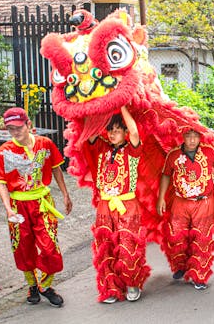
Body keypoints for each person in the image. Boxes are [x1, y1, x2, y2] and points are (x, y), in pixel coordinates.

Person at [0, 107, 72, 307]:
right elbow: (0, 182)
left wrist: (65, 194)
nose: (15, 132)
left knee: (50, 247)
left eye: (18, 127)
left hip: (43, 203)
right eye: (11, 129)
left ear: (28, 124)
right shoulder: (4, 152)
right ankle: (32, 285)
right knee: (23, 248)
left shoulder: (46, 144)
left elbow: (56, 169)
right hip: (18, 206)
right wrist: (8, 209)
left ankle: (45, 285)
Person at [156, 128, 214, 290]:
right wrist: (161, 198)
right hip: (181, 202)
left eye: (195, 136)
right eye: (188, 136)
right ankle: (180, 265)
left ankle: (199, 275)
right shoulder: (173, 155)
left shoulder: (209, 151)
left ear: (200, 137)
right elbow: (166, 174)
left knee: (202, 238)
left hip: (204, 203)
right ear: (183, 137)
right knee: (176, 236)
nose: (192, 140)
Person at [85, 106, 149, 304]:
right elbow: (91, 131)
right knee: (106, 247)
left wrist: (120, 105)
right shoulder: (102, 148)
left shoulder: (132, 150)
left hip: (127, 204)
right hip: (105, 205)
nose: (112, 134)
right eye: (110, 130)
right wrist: (102, 103)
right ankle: (111, 288)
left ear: (125, 133)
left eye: (117, 130)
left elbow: (136, 132)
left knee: (128, 245)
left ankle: (132, 283)